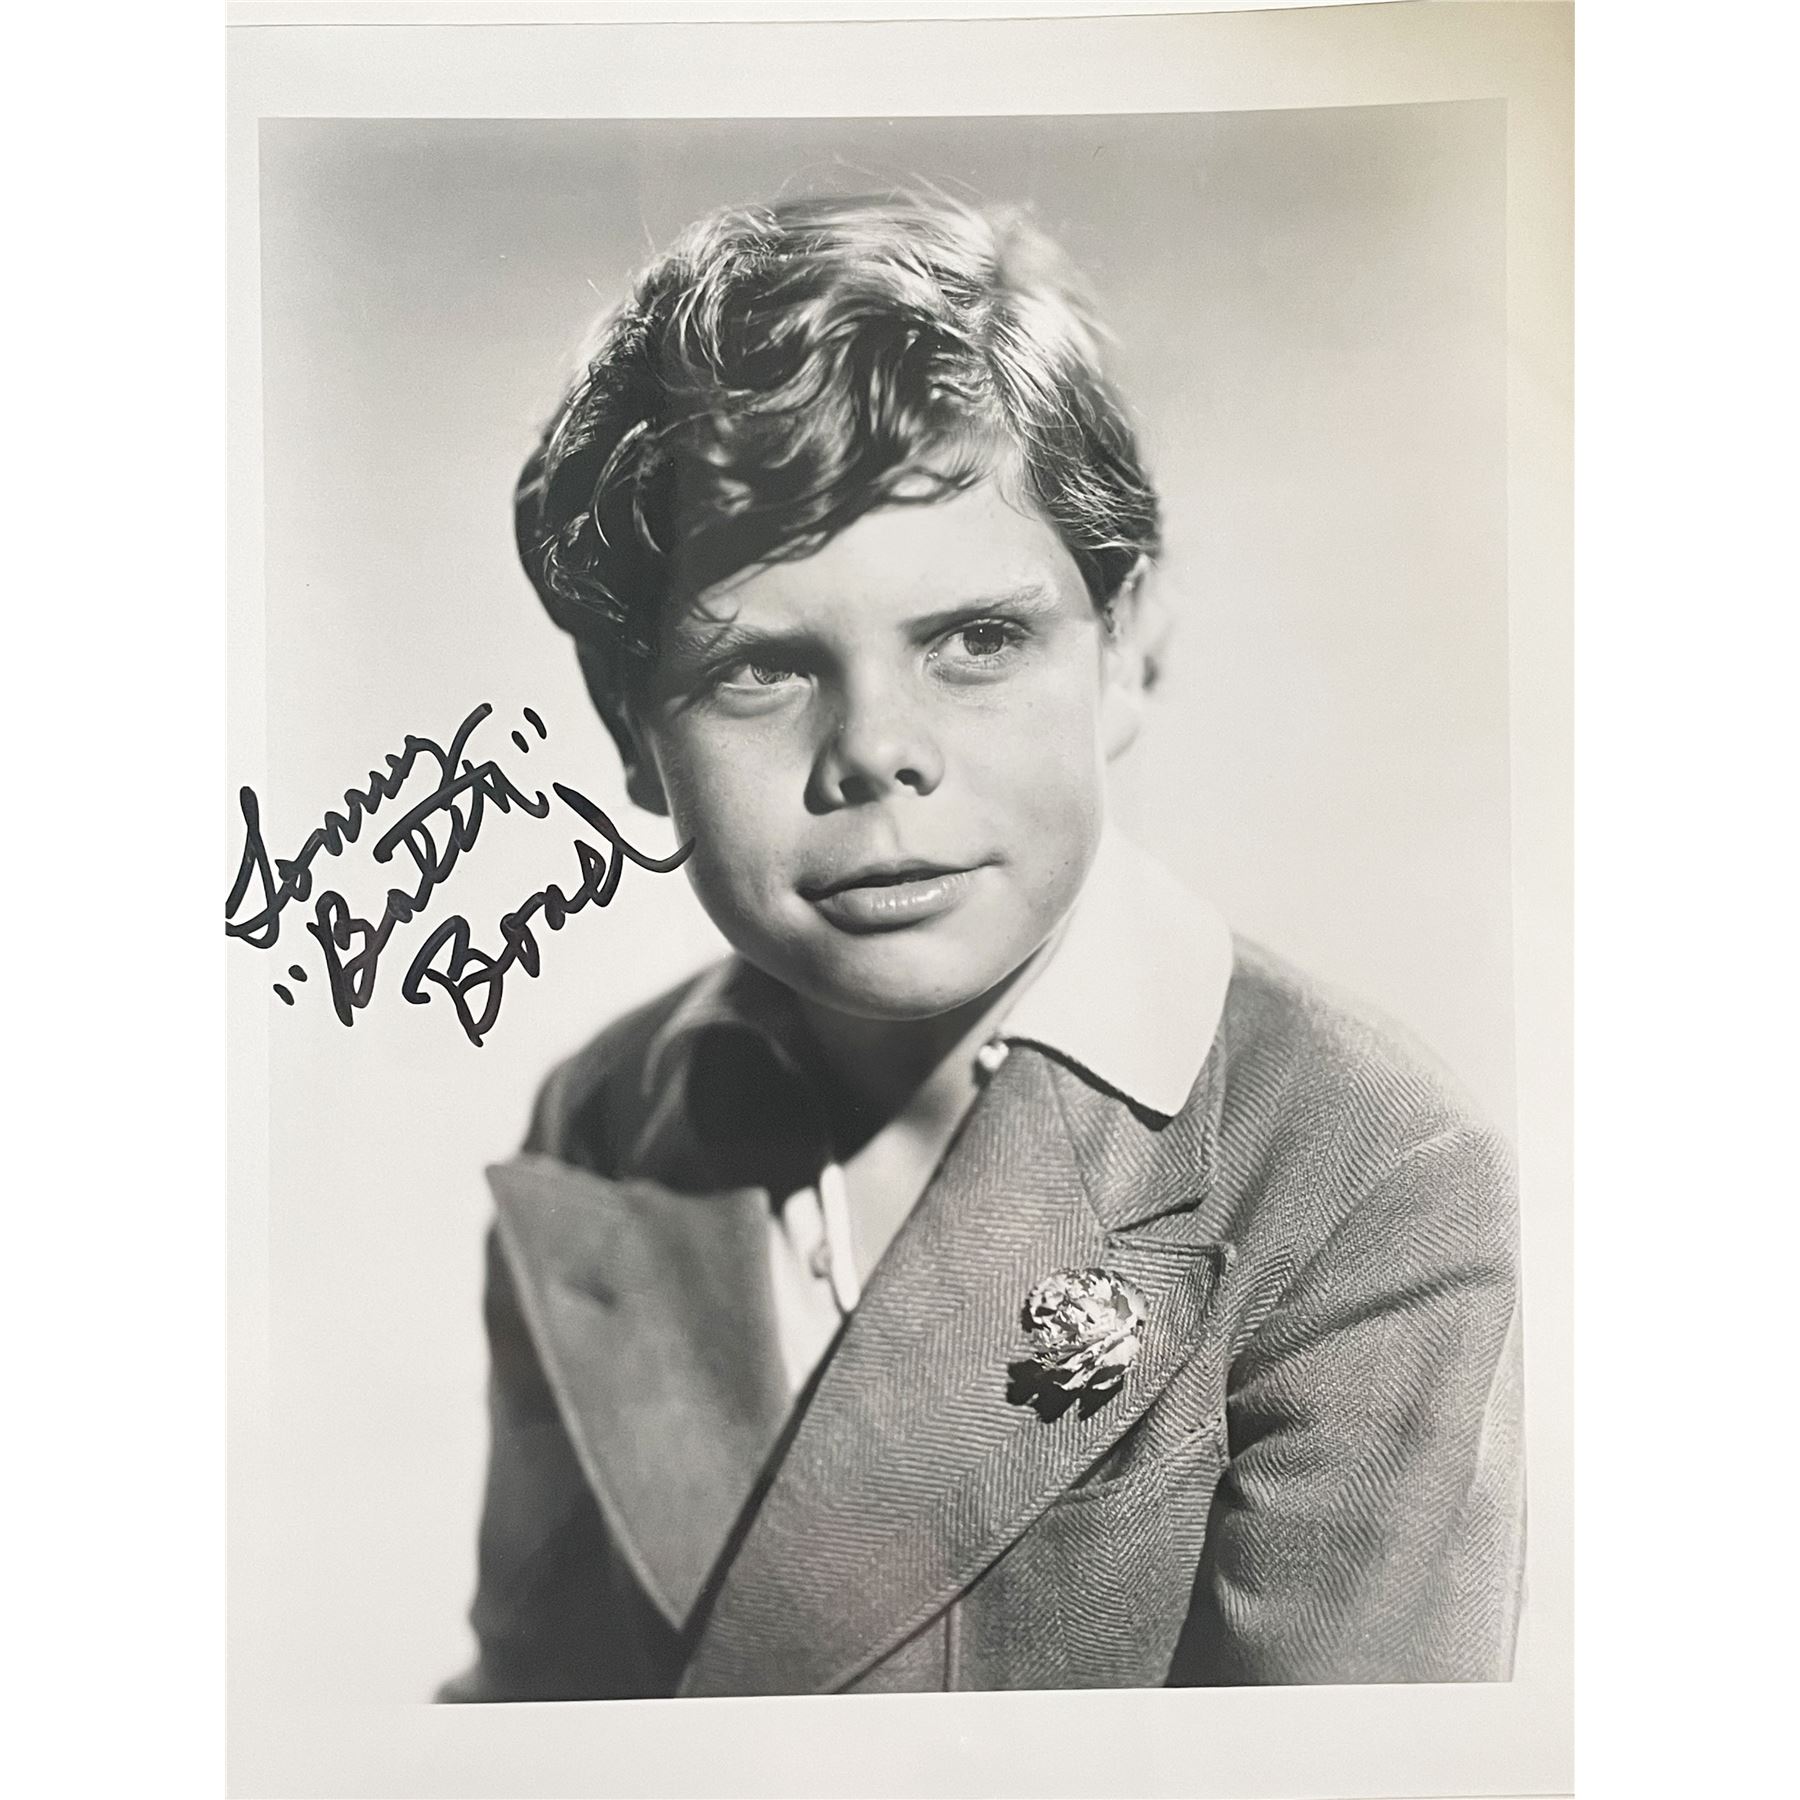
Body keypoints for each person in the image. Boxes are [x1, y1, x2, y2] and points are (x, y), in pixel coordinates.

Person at [438, 192, 1524, 1699]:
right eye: (760, 668)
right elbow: (535, 1719)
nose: (876, 751)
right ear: (631, 729)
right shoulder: (603, 1123)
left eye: (976, 639)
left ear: (1125, 648)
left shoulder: (1361, 1168)